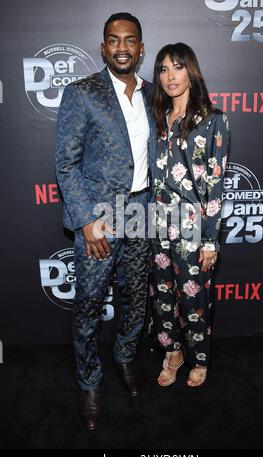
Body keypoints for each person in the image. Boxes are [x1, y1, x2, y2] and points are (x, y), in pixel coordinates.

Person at [55, 12, 156, 430]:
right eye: (113, 40)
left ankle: (126, 358)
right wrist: (85, 221)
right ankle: (89, 381)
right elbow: (66, 163)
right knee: (90, 304)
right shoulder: (83, 92)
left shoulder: (153, 94)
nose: (121, 47)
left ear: (140, 48)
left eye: (129, 40)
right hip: (100, 216)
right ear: (102, 47)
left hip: (142, 209)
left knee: (135, 295)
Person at [150, 43, 230, 387]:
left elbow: (215, 183)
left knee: (194, 298)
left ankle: (200, 359)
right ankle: (173, 352)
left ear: (190, 71)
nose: (170, 76)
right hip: (156, 226)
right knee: (163, 298)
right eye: (164, 69)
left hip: (194, 230)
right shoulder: (157, 119)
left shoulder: (214, 120)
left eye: (177, 67)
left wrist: (211, 240)